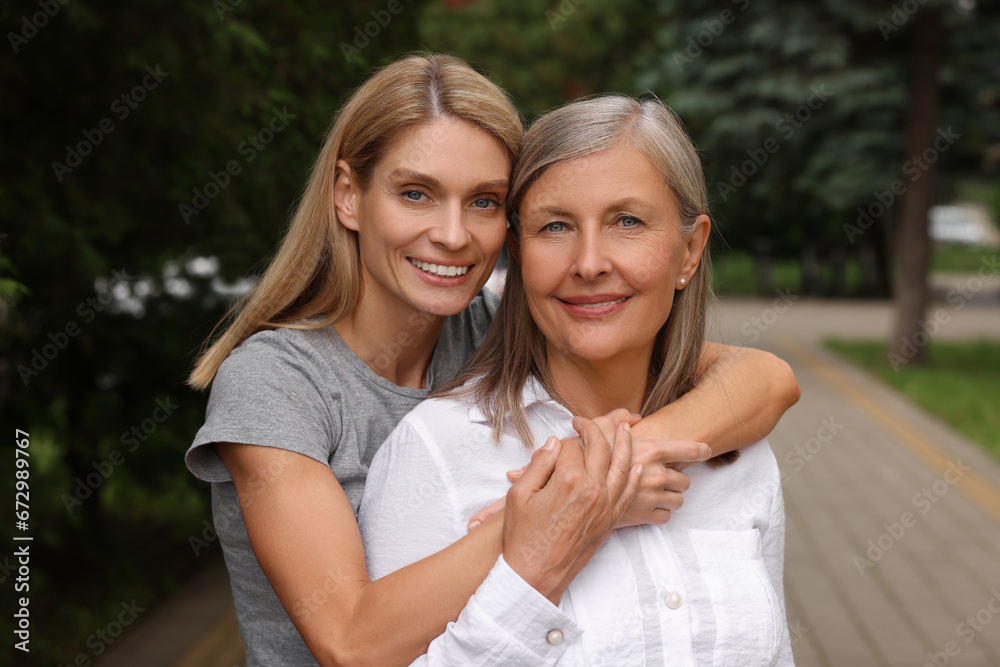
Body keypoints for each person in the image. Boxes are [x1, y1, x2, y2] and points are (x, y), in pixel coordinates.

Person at [185, 54, 799, 667]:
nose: (453, 235)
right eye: (416, 193)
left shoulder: (495, 330)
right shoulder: (276, 383)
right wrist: (572, 503)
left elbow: (762, 378)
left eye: (483, 202)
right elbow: (349, 641)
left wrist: (618, 461)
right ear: (348, 195)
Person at [360, 94, 794, 665]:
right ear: (518, 251)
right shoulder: (436, 451)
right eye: (556, 226)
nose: (589, 263)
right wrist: (534, 560)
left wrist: (608, 473)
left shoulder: (740, 452)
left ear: (689, 251)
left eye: (627, 222)